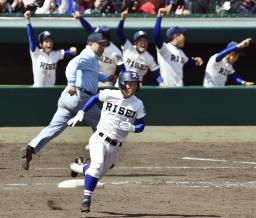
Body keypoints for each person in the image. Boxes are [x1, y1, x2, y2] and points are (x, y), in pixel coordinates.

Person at [21, 32, 117, 171]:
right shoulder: (88, 55)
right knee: (104, 126)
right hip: (80, 97)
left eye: (104, 44)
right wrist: (72, 83)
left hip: (68, 98)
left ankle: (30, 148)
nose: (103, 47)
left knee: (53, 128)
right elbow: (71, 65)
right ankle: (101, 157)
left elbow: (92, 75)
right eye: (100, 44)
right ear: (90, 44)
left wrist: (106, 78)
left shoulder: (92, 58)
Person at [67, 71, 146, 213]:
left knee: (97, 173)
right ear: (122, 84)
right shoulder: (110, 93)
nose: (132, 87)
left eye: (135, 84)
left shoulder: (138, 104)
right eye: (129, 84)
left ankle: (79, 166)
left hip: (115, 146)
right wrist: (82, 112)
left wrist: (133, 127)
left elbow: (142, 125)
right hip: (99, 138)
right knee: (96, 167)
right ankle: (86, 200)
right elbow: (95, 98)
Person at [24, 10, 77, 87]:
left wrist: (72, 51)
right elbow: (31, 38)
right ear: (40, 44)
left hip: (51, 88)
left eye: (51, 41)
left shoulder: (55, 54)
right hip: (38, 88)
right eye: (46, 41)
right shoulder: (36, 53)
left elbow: (67, 53)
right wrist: (28, 21)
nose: (49, 43)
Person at [153, 6, 203, 87]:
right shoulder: (165, 48)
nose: (184, 37)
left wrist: (196, 61)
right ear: (176, 36)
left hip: (179, 88)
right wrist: (159, 17)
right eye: (182, 34)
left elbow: (188, 63)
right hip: (166, 87)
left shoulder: (181, 52)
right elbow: (156, 36)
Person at [73, 11, 126, 87]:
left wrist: (119, 84)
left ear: (105, 39)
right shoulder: (96, 43)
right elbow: (89, 29)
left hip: (106, 84)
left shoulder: (116, 52)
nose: (95, 36)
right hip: (91, 80)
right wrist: (81, 18)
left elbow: (123, 70)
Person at [117, 9, 167, 86]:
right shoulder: (128, 47)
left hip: (136, 88)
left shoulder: (149, 58)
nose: (143, 43)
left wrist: (161, 82)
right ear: (135, 43)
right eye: (140, 40)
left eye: (145, 41)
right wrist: (122, 20)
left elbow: (157, 73)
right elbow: (119, 33)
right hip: (122, 85)